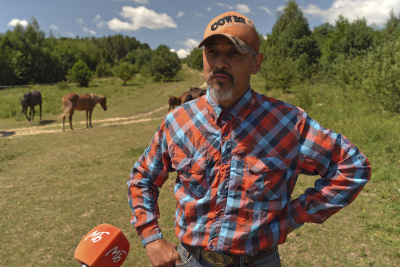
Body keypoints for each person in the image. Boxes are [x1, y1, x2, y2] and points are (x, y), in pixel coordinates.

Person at [127, 11, 371, 267]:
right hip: (191, 260)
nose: (220, 62)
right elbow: (143, 176)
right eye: (212, 52)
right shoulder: (178, 121)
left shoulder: (287, 123)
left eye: (234, 53)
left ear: (257, 63)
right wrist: (151, 238)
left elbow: (352, 166)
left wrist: (294, 216)